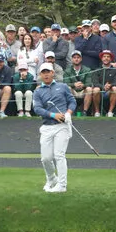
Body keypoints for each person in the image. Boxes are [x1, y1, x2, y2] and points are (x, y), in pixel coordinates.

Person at [33, 62, 77, 193]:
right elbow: (37, 109)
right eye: (43, 72)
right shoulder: (38, 91)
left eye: (48, 72)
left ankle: (62, 185)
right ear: (41, 75)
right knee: (45, 158)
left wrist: (68, 113)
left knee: (59, 155)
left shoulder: (62, 87)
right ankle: (52, 178)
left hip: (62, 126)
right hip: (47, 126)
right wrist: (53, 115)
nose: (46, 74)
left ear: (53, 73)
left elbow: (72, 101)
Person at [63, 50, 94, 116]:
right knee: (67, 88)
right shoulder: (67, 70)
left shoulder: (87, 69)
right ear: (72, 59)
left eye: (78, 57)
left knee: (89, 89)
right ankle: (71, 111)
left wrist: (83, 85)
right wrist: (74, 84)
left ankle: (85, 111)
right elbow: (65, 83)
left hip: (83, 91)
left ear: (81, 59)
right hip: (73, 91)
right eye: (74, 57)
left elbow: (89, 83)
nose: (76, 59)